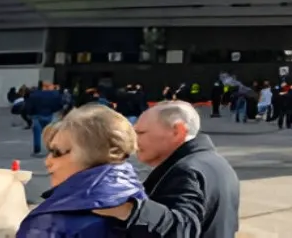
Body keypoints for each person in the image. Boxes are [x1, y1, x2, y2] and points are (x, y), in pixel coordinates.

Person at [92, 100, 239, 238]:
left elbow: (181, 229)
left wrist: (127, 208)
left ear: (177, 131)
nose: (134, 141)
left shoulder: (186, 171)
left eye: (141, 132)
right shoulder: (214, 162)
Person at [18, 104, 146, 238]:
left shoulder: (51, 223)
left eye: (56, 152)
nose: (47, 161)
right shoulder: (140, 203)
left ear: (94, 153)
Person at [27, 82, 70, 157]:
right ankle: (52, 149)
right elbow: (60, 104)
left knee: (37, 134)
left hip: (37, 115)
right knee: (51, 133)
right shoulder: (55, 94)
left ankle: (37, 151)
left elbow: (29, 106)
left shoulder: (34, 95)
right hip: (51, 114)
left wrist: (30, 114)